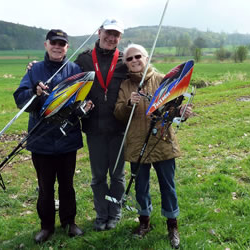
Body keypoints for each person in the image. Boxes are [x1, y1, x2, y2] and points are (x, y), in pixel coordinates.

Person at [13, 29, 93, 243]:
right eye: (54, 43)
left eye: (62, 44)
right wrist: (34, 94)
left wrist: (84, 107)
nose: (58, 47)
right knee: (45, 187)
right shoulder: (34, 70)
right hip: (41, 141)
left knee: (67, 185)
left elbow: (79, 102)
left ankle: (69, 222)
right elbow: (20, 100)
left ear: (67, 47)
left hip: (67, 140)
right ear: (46, 44)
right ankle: (46, 226)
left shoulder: (74, 69)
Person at [114, 44, 193, 249]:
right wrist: (128, 104)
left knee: (168, 186)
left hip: (162, 142)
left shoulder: (162, 80)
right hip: (136, 144)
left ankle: (172, 224)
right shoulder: (125, 86)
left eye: (137, 56)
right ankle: (144, 222)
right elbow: (118, 114)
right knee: (141, 187)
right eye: (129, 59)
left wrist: (182, 112)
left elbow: (174, 110)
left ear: (146, 58)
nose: (134, 61)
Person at [74, 18, 128, 231]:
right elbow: (67, 79)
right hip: (94, 129)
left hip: (118, 129)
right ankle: (101, 214)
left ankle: (114, 213)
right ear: (99, 32)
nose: (111, 37)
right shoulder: (84, 60)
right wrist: (35, 64)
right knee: (98, 177)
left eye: (116, 34)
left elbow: (145, 75)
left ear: (120, 38)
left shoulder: (125, 61)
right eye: (108, 32)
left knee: (117, 176)